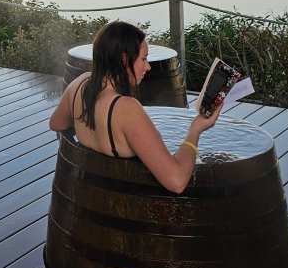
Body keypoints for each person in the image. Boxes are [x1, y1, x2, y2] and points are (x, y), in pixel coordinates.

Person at [48, 21, 221, 193]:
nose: (148, 66)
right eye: (144, 59)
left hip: (92, 194)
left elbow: (56, 124)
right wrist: (195, 130)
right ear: (124, 59)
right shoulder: (126, 108)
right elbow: (177, 182)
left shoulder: (80, 84)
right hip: (128, 205)